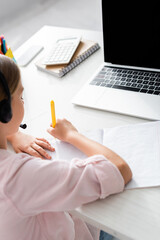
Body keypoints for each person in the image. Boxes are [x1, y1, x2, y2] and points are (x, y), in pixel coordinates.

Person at [0, 55, 132, 240]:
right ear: (5, 111)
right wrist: (71, 134)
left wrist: (11, 132)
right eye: (20, 96)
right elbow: (119, 170)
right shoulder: (19, 177)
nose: (23, 101)